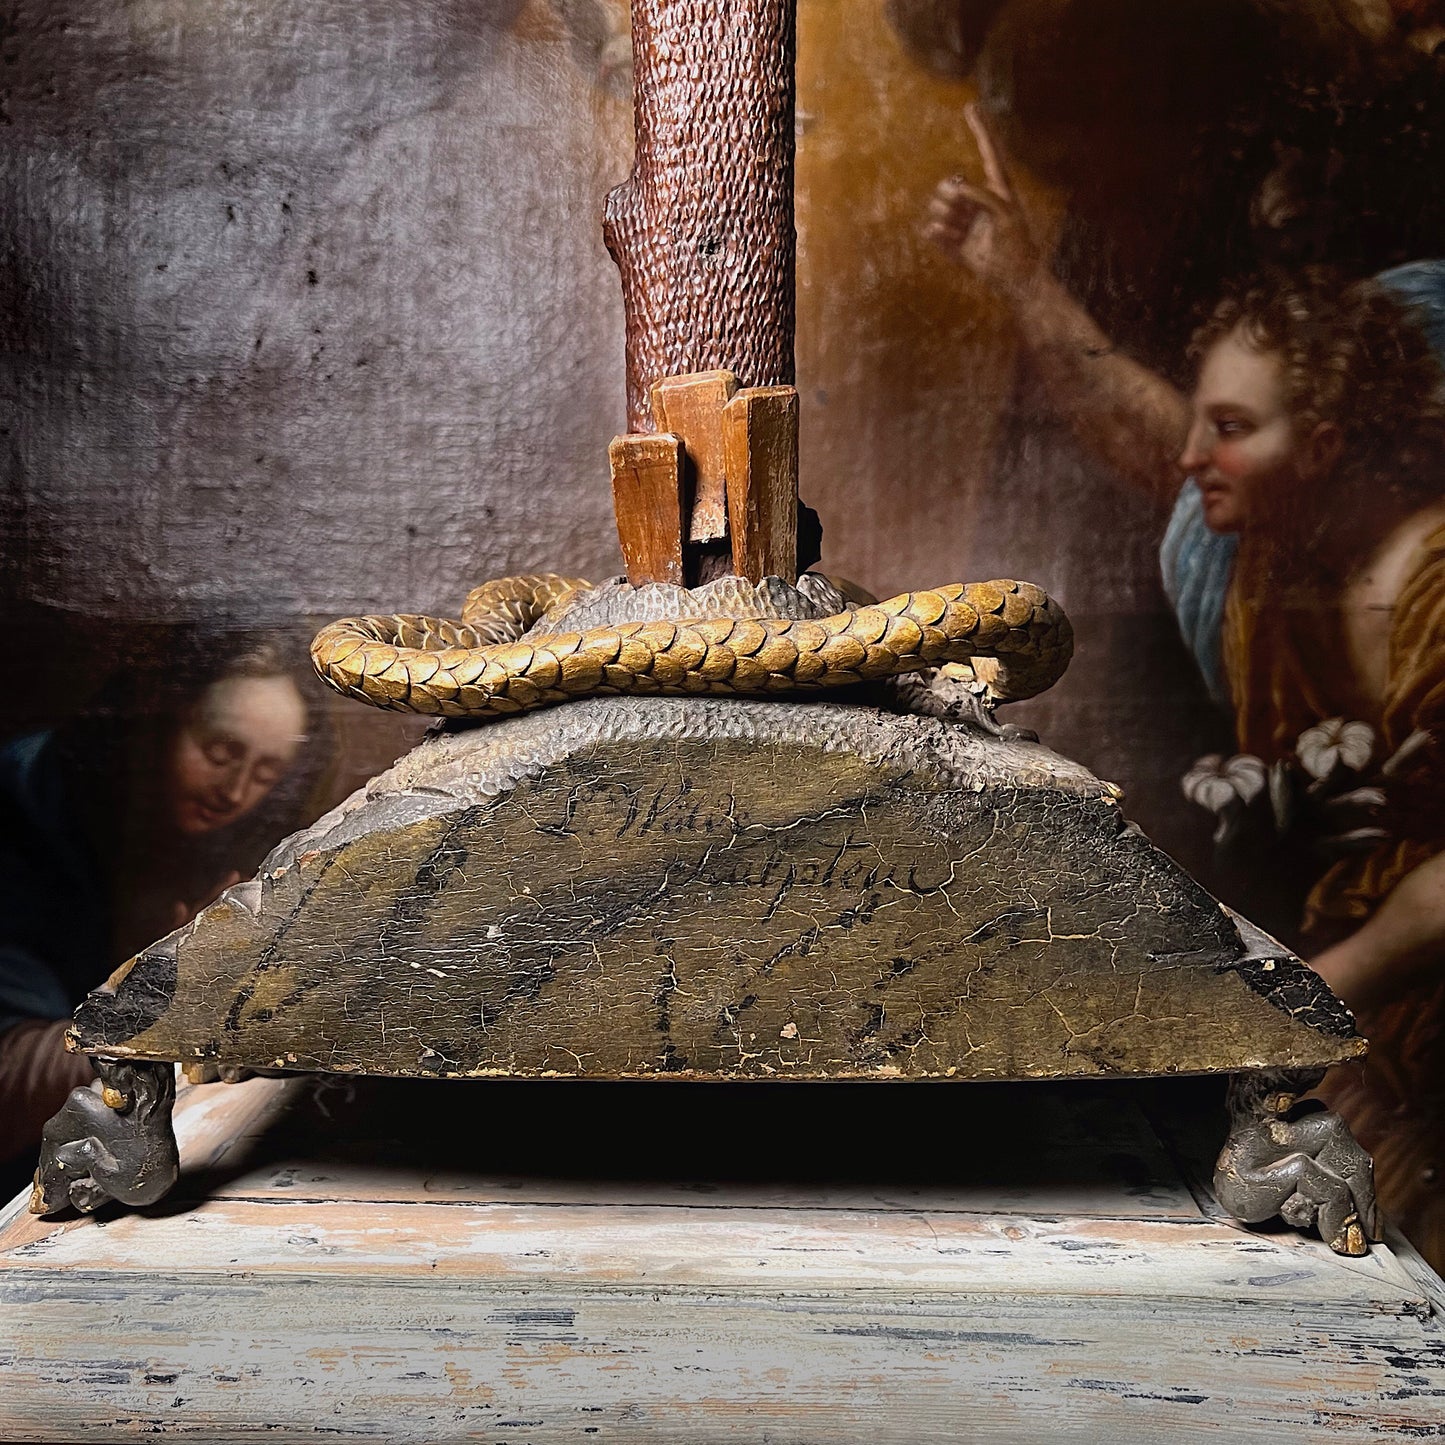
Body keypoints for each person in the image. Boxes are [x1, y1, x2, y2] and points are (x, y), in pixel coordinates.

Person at [927, 104, 1445, 1264]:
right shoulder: (1271, 561)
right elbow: (1152, 425)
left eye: (1228, 428)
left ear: (1318, 446)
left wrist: (1279, 1027)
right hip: (1356, 1019)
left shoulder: (1430, 587)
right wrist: (1020, 277)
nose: (1185, 456)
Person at [0, 628, 309, 1183]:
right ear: (158, 719)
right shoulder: (25, 802)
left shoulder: (211, 841)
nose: (234, 791)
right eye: (220, 751)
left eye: (265, 774)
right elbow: (10, 1075)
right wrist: (164, 991)